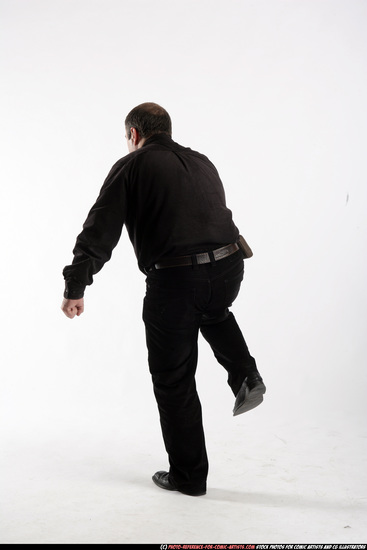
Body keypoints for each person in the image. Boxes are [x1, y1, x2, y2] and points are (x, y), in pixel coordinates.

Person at [61, 102, 266, 497]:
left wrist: (76, 285)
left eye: (127, 138)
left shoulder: (132, 166)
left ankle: (188, 478)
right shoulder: (202, 161)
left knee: (173, 380)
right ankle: (245, 374)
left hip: (176, 280)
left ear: (134, 135)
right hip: (229, 268)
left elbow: (100, 229)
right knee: (213, 310)